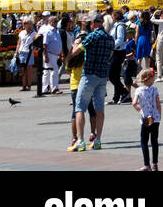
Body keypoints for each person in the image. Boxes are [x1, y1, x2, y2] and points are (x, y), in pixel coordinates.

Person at [70, 12, 113, 151]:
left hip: (89, 75)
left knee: (80, 107)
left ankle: (81, 141)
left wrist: (76, 44)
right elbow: (110, 56)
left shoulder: (92, 36)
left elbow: (76, 52)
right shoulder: (109, 38)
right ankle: (98, 140)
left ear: (94, 23)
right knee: (99, 108)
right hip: (102, 77)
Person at [131, 66, 162, 171]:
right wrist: (159, 115)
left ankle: (146, 164)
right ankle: (155, 164)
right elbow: (158, 104)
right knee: (154, 141)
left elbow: (134, 103)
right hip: (155, 118)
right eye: (153, 77)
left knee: (144, 141)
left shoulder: (139, 90)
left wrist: (140, 110)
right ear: (149, 79)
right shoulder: (155, 89)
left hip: (145, 118)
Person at [38, 14, 63, 94]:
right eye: (55, 21)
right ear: (50, 22)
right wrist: (45, 56)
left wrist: (60, 53)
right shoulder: (48, 31)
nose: (56, 23)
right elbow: (44, 44)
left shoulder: (57, 30)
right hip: (49, 53)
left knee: (47, 71)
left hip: (55, 54)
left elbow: (58, 42)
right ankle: (54, 88)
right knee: (54, 70)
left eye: (57, 21)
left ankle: (45, 89)